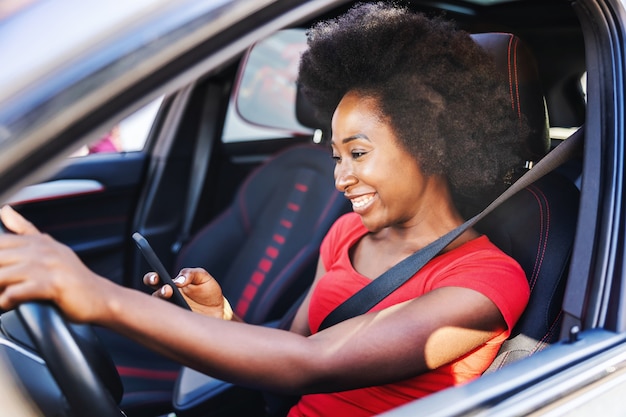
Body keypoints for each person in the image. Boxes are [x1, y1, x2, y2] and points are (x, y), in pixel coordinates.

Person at [0, 3, 530, 416]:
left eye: (359, 154)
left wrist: (94, 294)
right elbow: (294, 343)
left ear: (430, 144)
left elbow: (310, 366)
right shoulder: (347, 234)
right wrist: (219, 316)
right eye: (336, 155)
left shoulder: (485, 284)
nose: (340, 177)